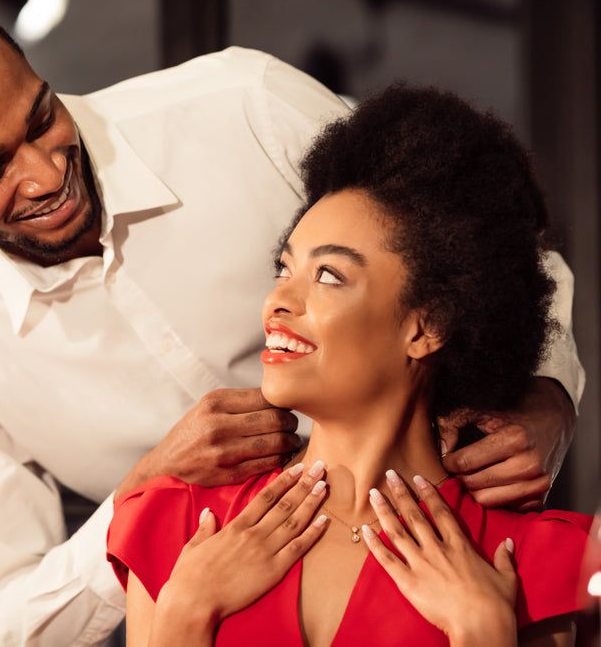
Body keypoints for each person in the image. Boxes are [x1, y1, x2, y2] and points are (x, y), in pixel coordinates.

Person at [0, 0, 584, 644]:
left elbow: (483, 239)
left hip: (463, 516)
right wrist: (141, 501)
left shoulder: (242, 107)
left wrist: (547, 395)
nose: (46, 171)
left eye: (41, 117)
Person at [107, 85, 592, 646]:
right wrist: (184, 615)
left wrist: (482, 629)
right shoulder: (176, 524)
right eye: (283, 269)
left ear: (425, 326)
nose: (277, 302)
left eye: (329, 275)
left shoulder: (540, 563)